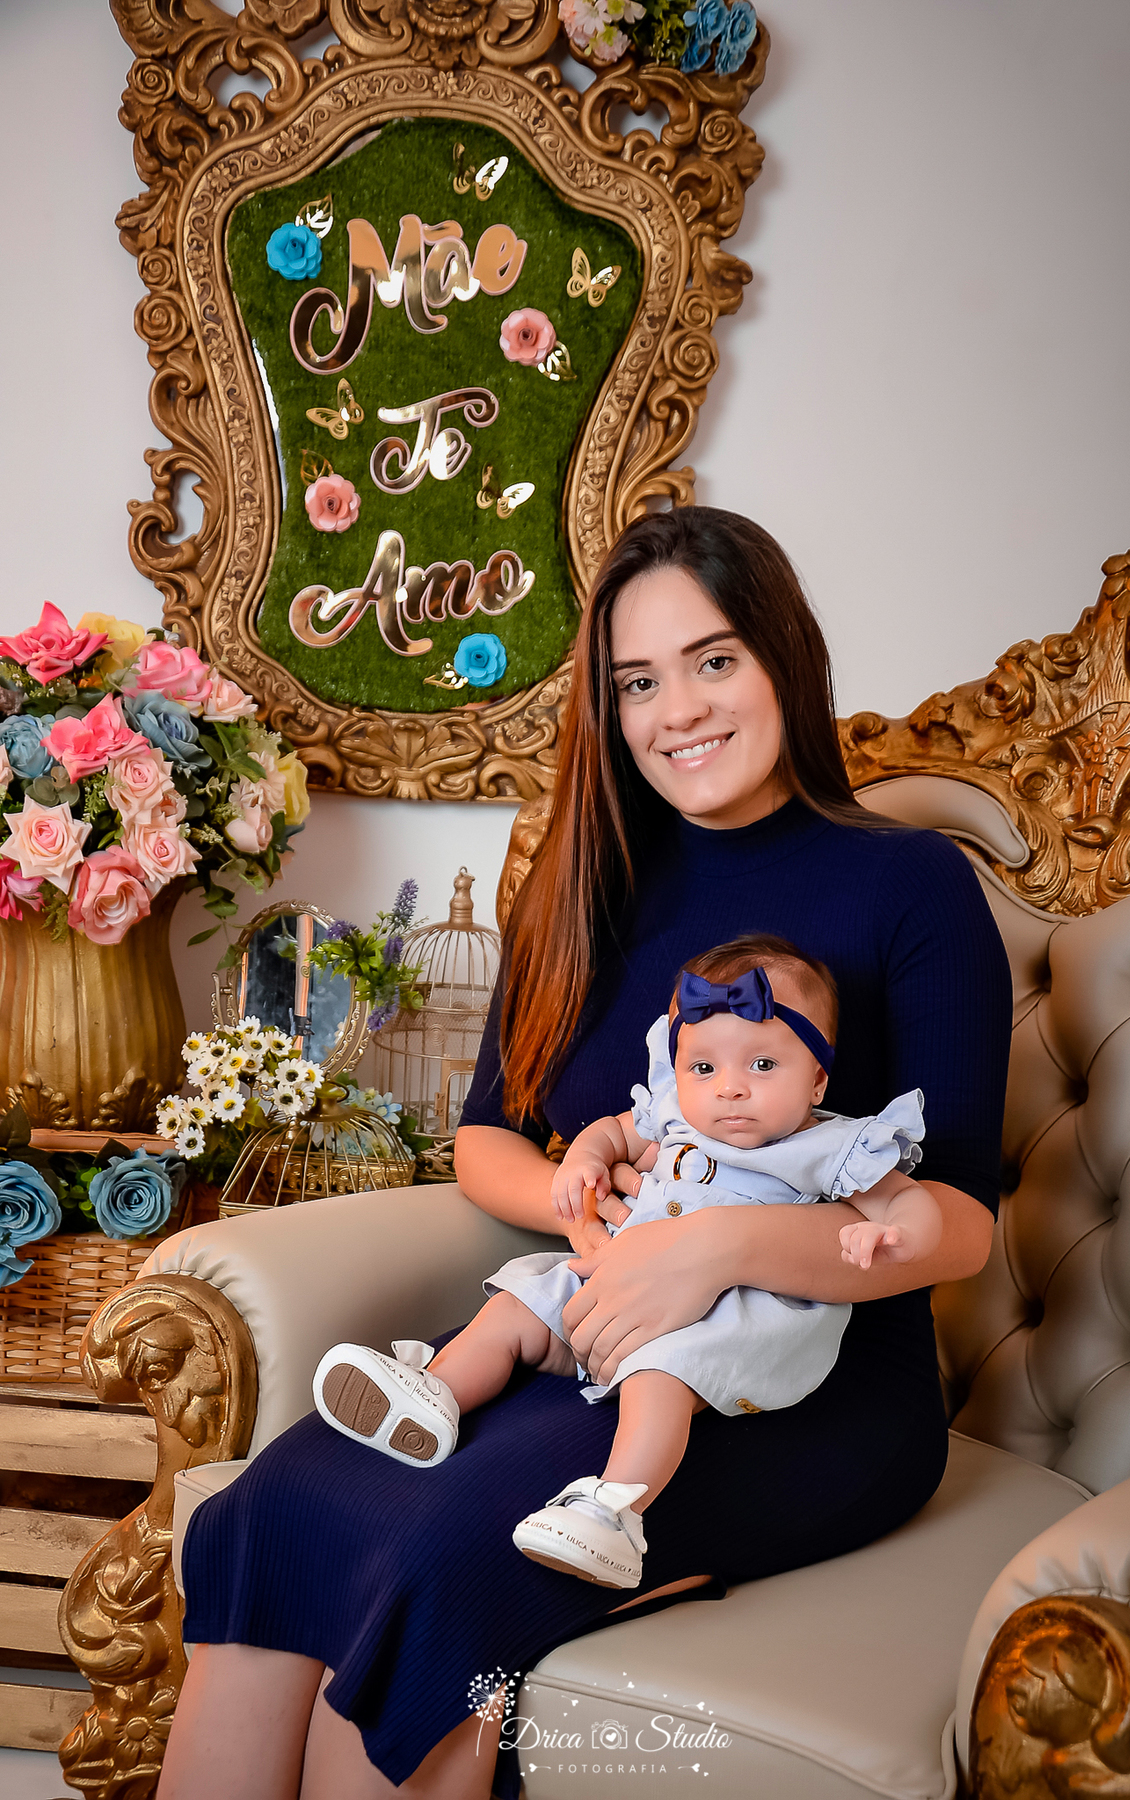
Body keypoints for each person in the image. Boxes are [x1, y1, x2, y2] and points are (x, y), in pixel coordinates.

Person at [160, 506, 1011, 1800]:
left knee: (439, 1559)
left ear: (786, 655)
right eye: (637, 682)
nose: (679, 709)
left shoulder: (909, 886)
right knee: (284, 1505)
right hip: (598, 1326)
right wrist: (590, 1213)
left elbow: (960, 1219)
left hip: (797, 1381)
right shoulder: (588, 872)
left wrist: (714, 1245)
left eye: (715, 660)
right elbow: (490, 1139)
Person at [310, 938, 939, 1593]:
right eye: (703, 1068)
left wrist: (891, 1237)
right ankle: (437, 1393)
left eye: (761, 1063)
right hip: (611, 1290)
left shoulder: (828, 1144)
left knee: (660, 1380)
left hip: (721, 1323)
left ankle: (612, 1512)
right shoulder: (673, 1120)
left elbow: (910, 1204)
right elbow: (610, 1132)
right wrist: (583, 1161)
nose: (730, 1088)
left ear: (817, 1078)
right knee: (522, 1300)